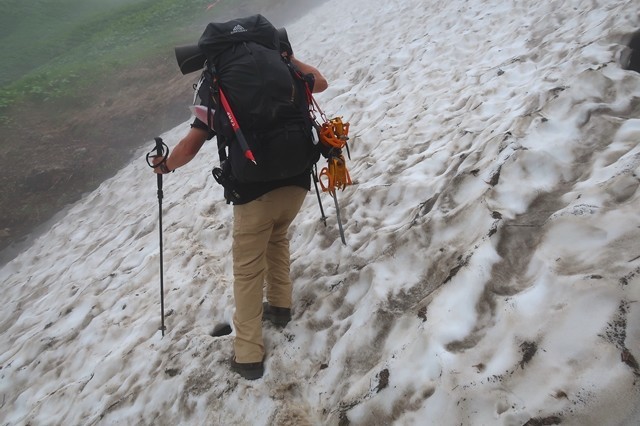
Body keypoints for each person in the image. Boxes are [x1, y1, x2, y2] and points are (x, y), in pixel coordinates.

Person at [153, 49, 328, 380]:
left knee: (247, 273)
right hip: (297, 180)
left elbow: (191, 145)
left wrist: (165, 166)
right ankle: (279, 306)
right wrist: (288, 58)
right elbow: (320, 82)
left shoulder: (216, 78)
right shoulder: (279, 64)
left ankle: (248, 355)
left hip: (254, 191)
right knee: (277, 237)